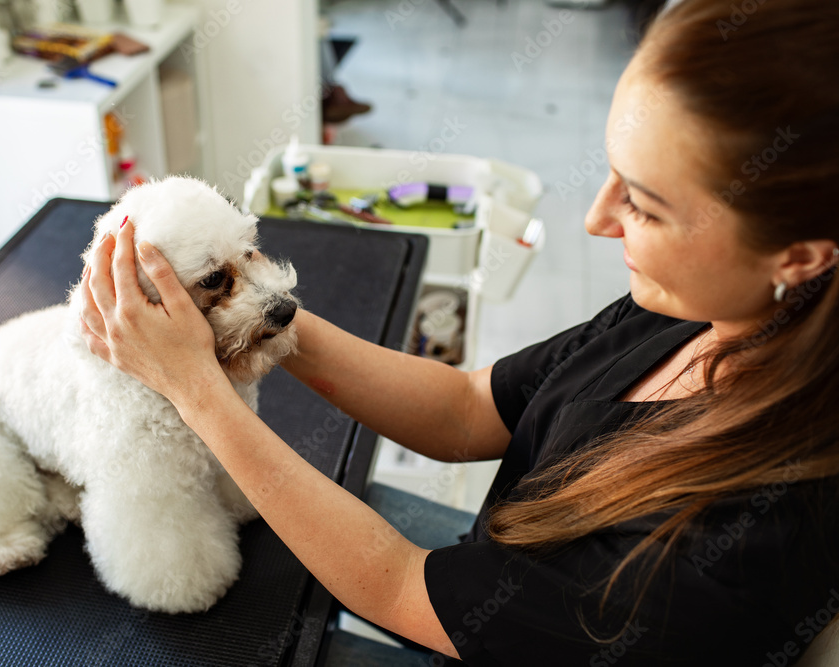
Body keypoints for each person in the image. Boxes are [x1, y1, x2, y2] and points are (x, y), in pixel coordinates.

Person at [78, 0, 839, 663]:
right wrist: (268, 319)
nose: (596, 219)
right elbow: (470, 408)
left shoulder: (743, 546)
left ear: (800, 255)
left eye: (643, 204)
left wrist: (196, 392)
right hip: (485, 580)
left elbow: (401, 584)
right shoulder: (700, 308)